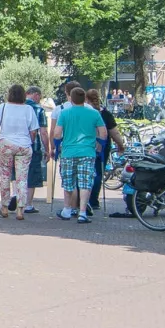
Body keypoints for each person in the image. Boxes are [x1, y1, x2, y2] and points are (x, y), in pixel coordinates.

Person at [53, 86, 107, 224]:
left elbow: (57, 133)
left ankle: (67, 209)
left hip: (68, 152)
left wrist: (57, 145)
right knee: (85, 183)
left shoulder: (64, 113)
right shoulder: (94, 113)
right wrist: (99, 145)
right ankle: (82, 212)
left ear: (71, 98)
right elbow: (104, 133)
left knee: (68, 182)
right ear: (84, 99)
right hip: (87, 152)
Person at [0, 84, 39, 219]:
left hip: (6, 144)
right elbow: (33, 131)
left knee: (5, 176)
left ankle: (5, 207)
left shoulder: (3, 107)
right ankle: (20, 209)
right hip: (24, 145)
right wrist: (29, 142)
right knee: (22, 179)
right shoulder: (29, 109)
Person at [85, 90, 124, 211]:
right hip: (103, 145)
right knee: (98, 172)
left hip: (86, 144)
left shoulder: (85, 113)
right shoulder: (105, 114)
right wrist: (120, 145)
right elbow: (114, 132)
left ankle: (83, 200)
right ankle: (93, 200)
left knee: (85, 172)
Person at [23, 86, 50, 213]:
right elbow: (43, 132)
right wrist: (47, 149)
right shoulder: (38, 109)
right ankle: (28, 204)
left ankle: (17, 199)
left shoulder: (16, 106)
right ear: (36, 95)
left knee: (16, 174)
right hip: (33, 146)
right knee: (31, 175)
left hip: (15, 146)